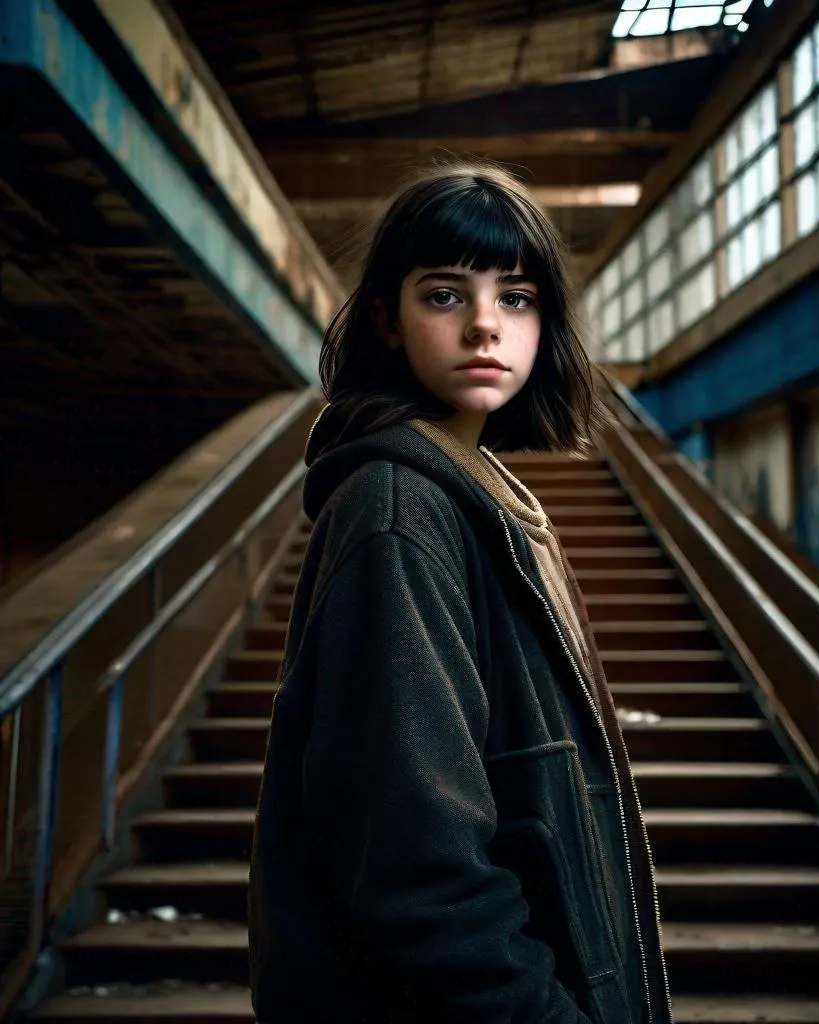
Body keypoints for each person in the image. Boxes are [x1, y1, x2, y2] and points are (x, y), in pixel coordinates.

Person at [248, 161, 671, 1024]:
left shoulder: (481, 495)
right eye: (444, 295)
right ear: (386, 322)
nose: (485, 325)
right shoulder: (401, 508)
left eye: (515, 297)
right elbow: (416, 858)